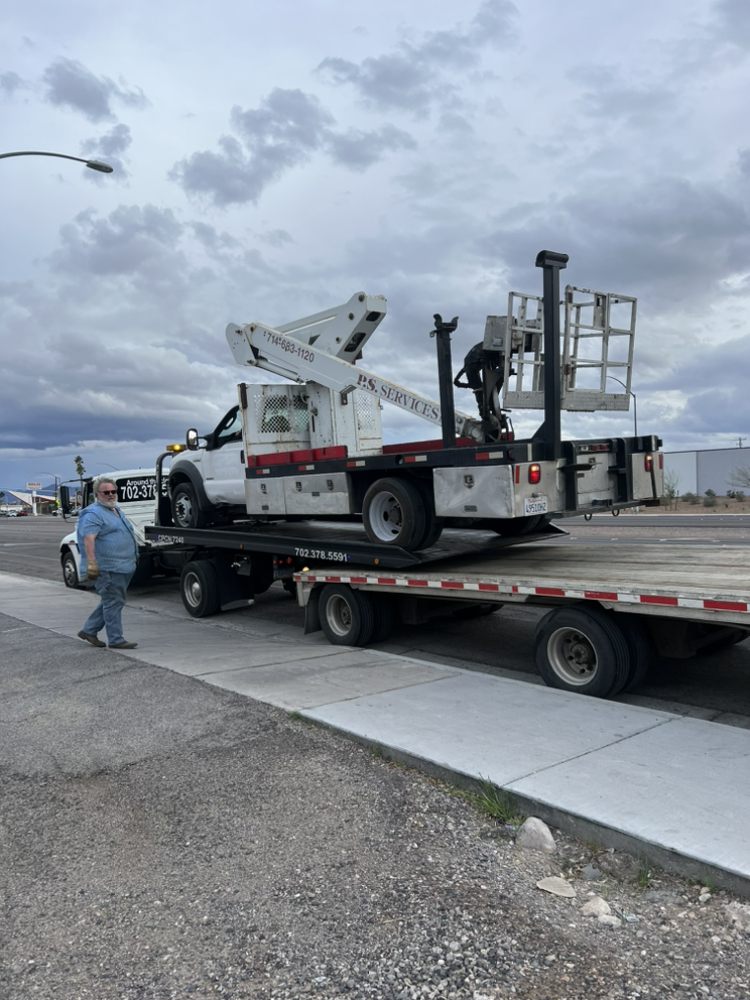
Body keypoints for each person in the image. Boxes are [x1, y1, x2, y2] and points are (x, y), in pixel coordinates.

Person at [76, 476, 139, 650]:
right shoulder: (93, 514)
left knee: (112, 600)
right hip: (109, 568)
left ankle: (89, 630)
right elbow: (89, 539)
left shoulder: (115, 510)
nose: (111, 495)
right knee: (113, 601)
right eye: (106, 492)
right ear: (97, 494)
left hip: (123, 565)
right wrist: (92, 563)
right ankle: (116, 639)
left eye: (113, 491)